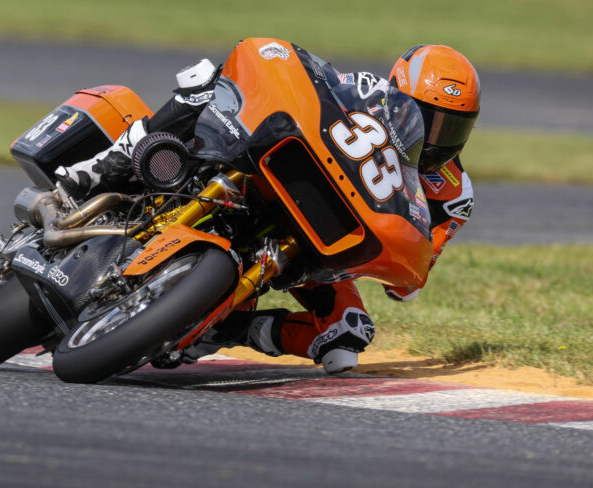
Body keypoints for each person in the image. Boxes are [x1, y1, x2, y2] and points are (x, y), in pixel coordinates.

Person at [55, 43, 481, 373]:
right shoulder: (366, 91)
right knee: (204, 80)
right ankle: (99, 169)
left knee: (347, 334)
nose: (435, 136)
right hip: (280, 176)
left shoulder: (454, 195)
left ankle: (223, 328)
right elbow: (304, 86)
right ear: (398, 94)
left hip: (320, 242)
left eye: (452, 126)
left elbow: (408, 281)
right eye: (426, 118)